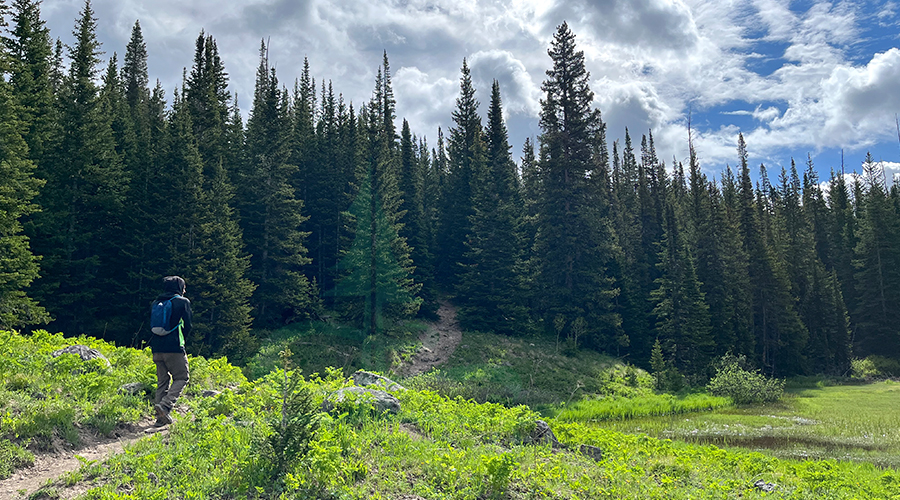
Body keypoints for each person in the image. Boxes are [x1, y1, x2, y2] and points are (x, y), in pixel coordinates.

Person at [149, 275, 192, 427]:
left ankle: (160, 419)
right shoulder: (182, 302)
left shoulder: (156, 303)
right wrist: (182, 342)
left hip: (156, 348)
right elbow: (188, 326)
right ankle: (165, 406)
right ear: (180, 288)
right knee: (182, 377)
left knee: (162, 381)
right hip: (174, 348)